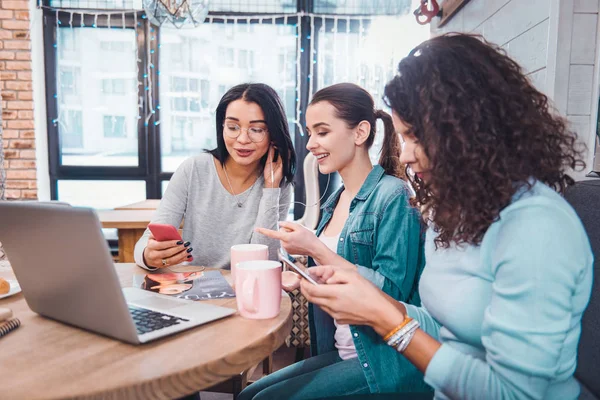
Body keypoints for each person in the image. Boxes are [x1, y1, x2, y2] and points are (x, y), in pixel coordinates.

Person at [300, 33, 594, 400]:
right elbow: (442, 328)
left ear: (468, 132)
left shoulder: (537, 228)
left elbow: (512, 394)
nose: (404, 156)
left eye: (415, 138)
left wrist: (386, 319)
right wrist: (368, 295)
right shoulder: (454, 213)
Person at [240, 83, 429, 400]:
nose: (311, 144)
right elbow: (339, 280)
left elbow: (391, 295)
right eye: (310, 133)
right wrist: (303, 277)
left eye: (322, 132)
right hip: (343, 349)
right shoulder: (335, 200)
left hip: (382, 359)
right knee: (250, 394)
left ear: (360, 133)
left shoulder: (393, 196)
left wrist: (315, 249)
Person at [134, 83, 296, 270]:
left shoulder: (278, 184)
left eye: (257, 129)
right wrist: (148, 255)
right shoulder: (194, 169)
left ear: (273, 134)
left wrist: (271, 188)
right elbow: (145, 243)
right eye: (233, 127)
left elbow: (264, 261)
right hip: (193, 288)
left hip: (244, 289)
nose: (242, 139)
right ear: (222, 127)